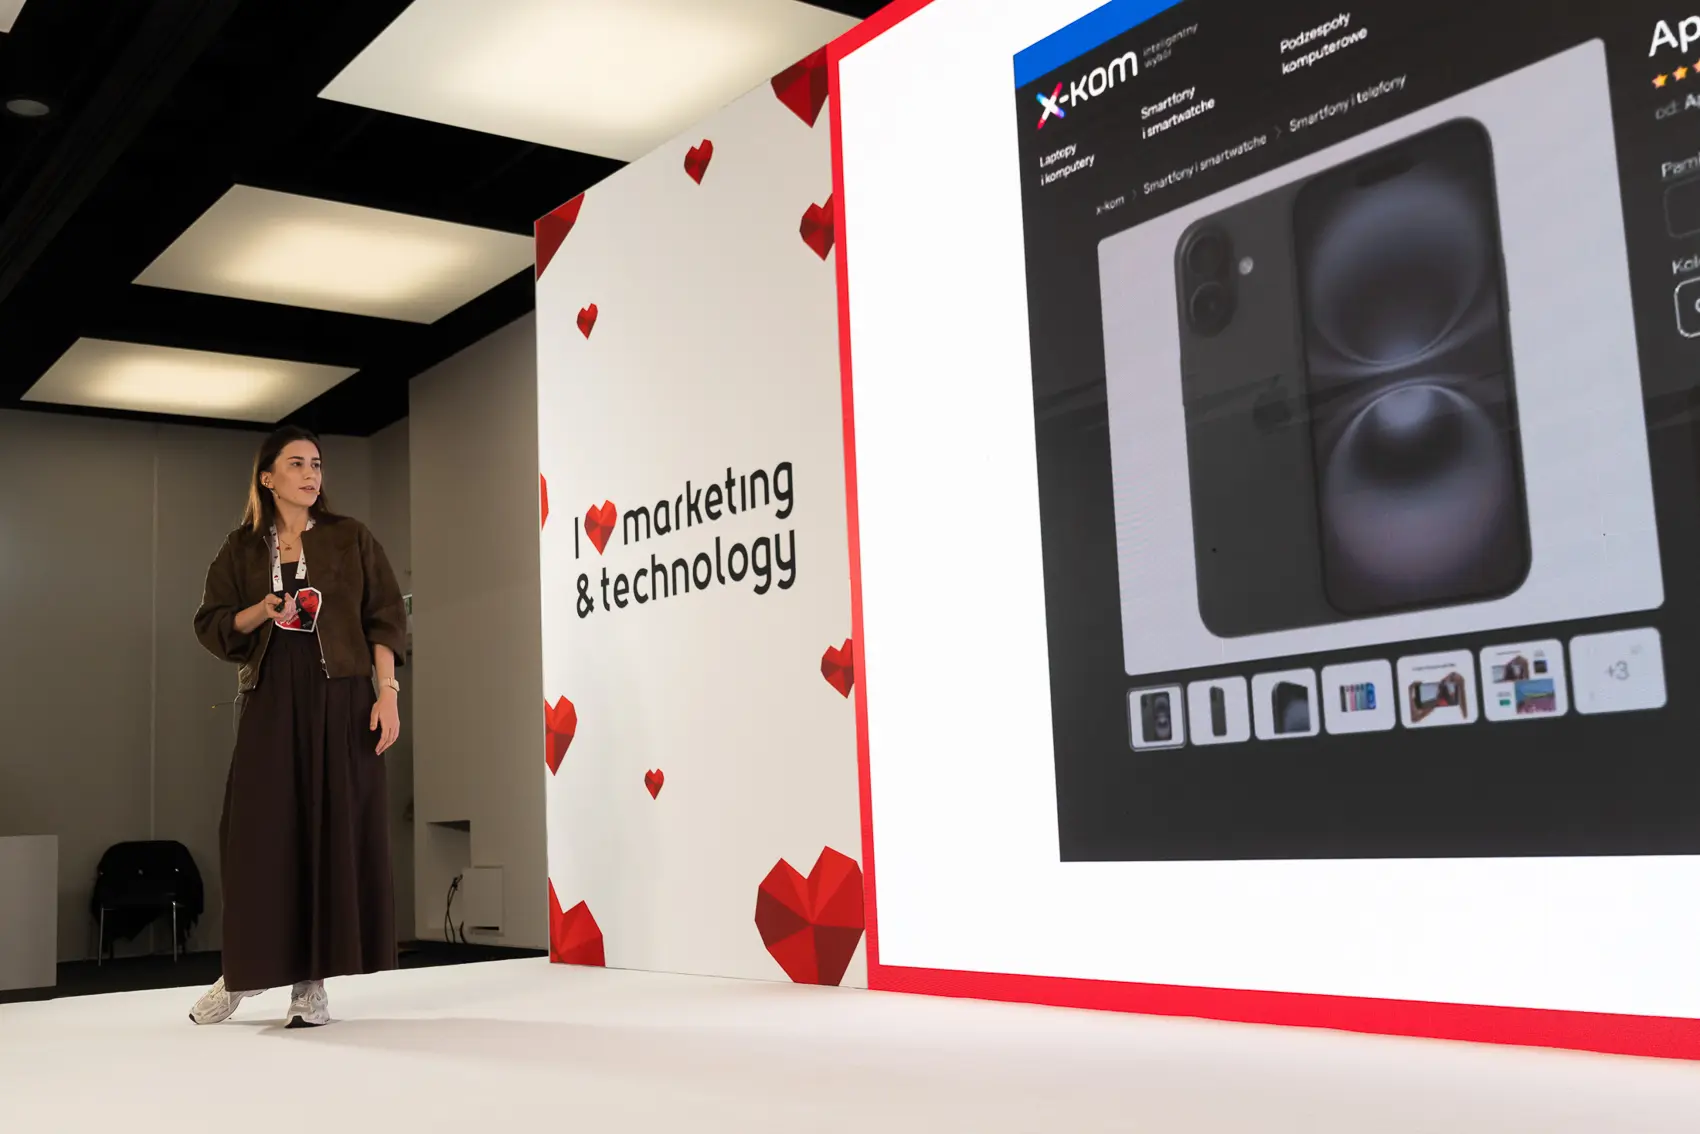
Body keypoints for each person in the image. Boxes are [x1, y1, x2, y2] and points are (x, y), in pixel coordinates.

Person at [188, 425, 407, 1028]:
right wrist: (261, 609)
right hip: (271, 695)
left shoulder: (349, 537)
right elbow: (211, 624)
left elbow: (384, 618)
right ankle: (245, 969)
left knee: (327, 830)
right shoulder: (240, 548)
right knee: (258, 833)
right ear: (268, 477)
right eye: (296, 464)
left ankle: (310, 984)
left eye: (316, 464)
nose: (311, 474)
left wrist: (387, 693)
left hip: (340, 697)